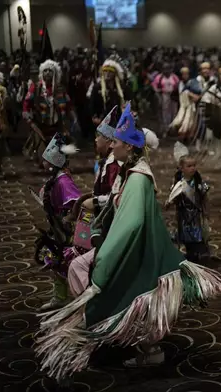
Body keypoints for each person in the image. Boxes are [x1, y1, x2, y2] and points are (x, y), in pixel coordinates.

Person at [35, 103, 221, 382]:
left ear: (128, 146)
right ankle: (127, 340)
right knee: (110, 285)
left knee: (132, 294)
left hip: (137, 252)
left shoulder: (137, 178)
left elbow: (133, 223)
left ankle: (145, 348)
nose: (111, 146)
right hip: (133, 247)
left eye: (115, 142)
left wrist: (107, 254)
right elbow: (121, 210)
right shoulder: (131, 171)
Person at [67, 107, 124, 297]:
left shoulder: (114, 166)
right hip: (103, 222)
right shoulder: (106, 163)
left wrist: (96, 202)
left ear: (109, 142)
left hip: (111, 225)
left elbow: (118, 197)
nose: (95, 140)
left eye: (98, 137)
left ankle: (90, 304)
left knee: (78, 265)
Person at [36, 133, 81, 310]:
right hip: (57, 227)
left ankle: (79, 296)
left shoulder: (63, 181)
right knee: (57, 261)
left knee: (67, 261)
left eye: (46, 159)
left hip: (66, 229)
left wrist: (67, 218)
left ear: (54, 162)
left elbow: (76, 203)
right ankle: (60, 296)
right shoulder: (55, 178)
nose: (43, 162)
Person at [167, 154, 211, 263]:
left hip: (195, 215)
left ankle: (201, 253)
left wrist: (206, 212)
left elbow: (204, 198)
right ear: (181, 168)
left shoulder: (198, 183)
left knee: (197, 235)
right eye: (189, 166)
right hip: (183, 215)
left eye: (194, 165)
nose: (193, 168)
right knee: (186, 236)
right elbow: (173, 197)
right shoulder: (178, 183)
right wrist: (169, 203)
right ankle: (191, 253)